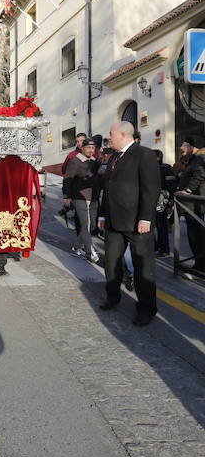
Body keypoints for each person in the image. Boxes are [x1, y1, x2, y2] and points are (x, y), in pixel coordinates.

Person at [98, 121, 160, 325]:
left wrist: (146, 217)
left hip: (136, 222)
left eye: (111, 134)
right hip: (114, 221)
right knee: (112, 262)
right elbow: (107, 189)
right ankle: (112, 297)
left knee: (143, 267)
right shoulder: (115, 156)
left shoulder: (144, 154)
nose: (109, 137)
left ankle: (146, 309)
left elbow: (151, 189)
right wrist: (102, 215)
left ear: (123, 134)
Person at [63, 138, 100, 262]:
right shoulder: (75, 161)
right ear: (82, 148)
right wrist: (66, 196)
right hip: (80, 197)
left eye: (93, 148)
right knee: (86, 225)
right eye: (88, 148)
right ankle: (91, 252)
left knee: (92, 225)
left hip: (94, 197)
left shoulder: (95, 162)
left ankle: (76, 246)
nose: (91, 150)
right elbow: (67, 179)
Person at [176, 137, 205, 273]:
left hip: (196, 206)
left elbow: (200, 173)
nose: (181, 148)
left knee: (197, 236)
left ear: (190, 146)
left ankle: (200, 266)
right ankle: (199, 265)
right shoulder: (195, 159)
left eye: (183, 145)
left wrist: (188, 190)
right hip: (193, 206)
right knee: (196, 236)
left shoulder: (200, 158)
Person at [153, 149, 175, 257]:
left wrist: (170, 203)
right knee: (157, 224)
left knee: (161, 225)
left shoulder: (165, 168)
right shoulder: (160, 168)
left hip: (162, 199)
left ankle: (164, 249)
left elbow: (171, 186)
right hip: (157, 199)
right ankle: (158, 246)